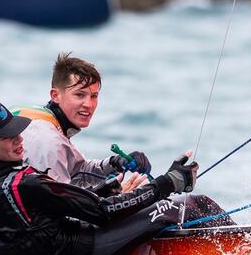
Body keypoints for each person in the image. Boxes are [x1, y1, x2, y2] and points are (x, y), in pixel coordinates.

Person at [0, 99, 229, 255]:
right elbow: (102, 212)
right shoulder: (24, 184)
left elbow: (36, 219)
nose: (19, 140)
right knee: (183, 205)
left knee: (132, 200)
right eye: (7, 137)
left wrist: (106, 191)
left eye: (16, 131)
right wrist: (169, 182)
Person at [12, 52, 151, 193]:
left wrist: (116, 163)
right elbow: (61, 206)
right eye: (79, 95)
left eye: (94, 96)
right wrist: (112, 197)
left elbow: (77, 171)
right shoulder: (49, 141)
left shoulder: (40, 116)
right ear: (55, 95)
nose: (89, 104)